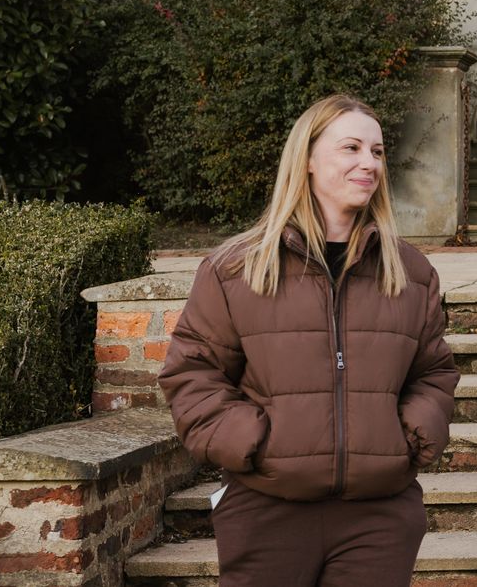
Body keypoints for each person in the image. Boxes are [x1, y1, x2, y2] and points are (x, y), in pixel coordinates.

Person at [159, 95, 458, 587]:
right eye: (352, 148)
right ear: (309, 161)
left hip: (378, 517)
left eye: (378, 151)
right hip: (267, 511)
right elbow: (192, 375)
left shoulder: (410, 272)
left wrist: (410, 433)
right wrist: (253, 442)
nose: (369, 163)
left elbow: (434, 374)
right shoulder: (236, 269)